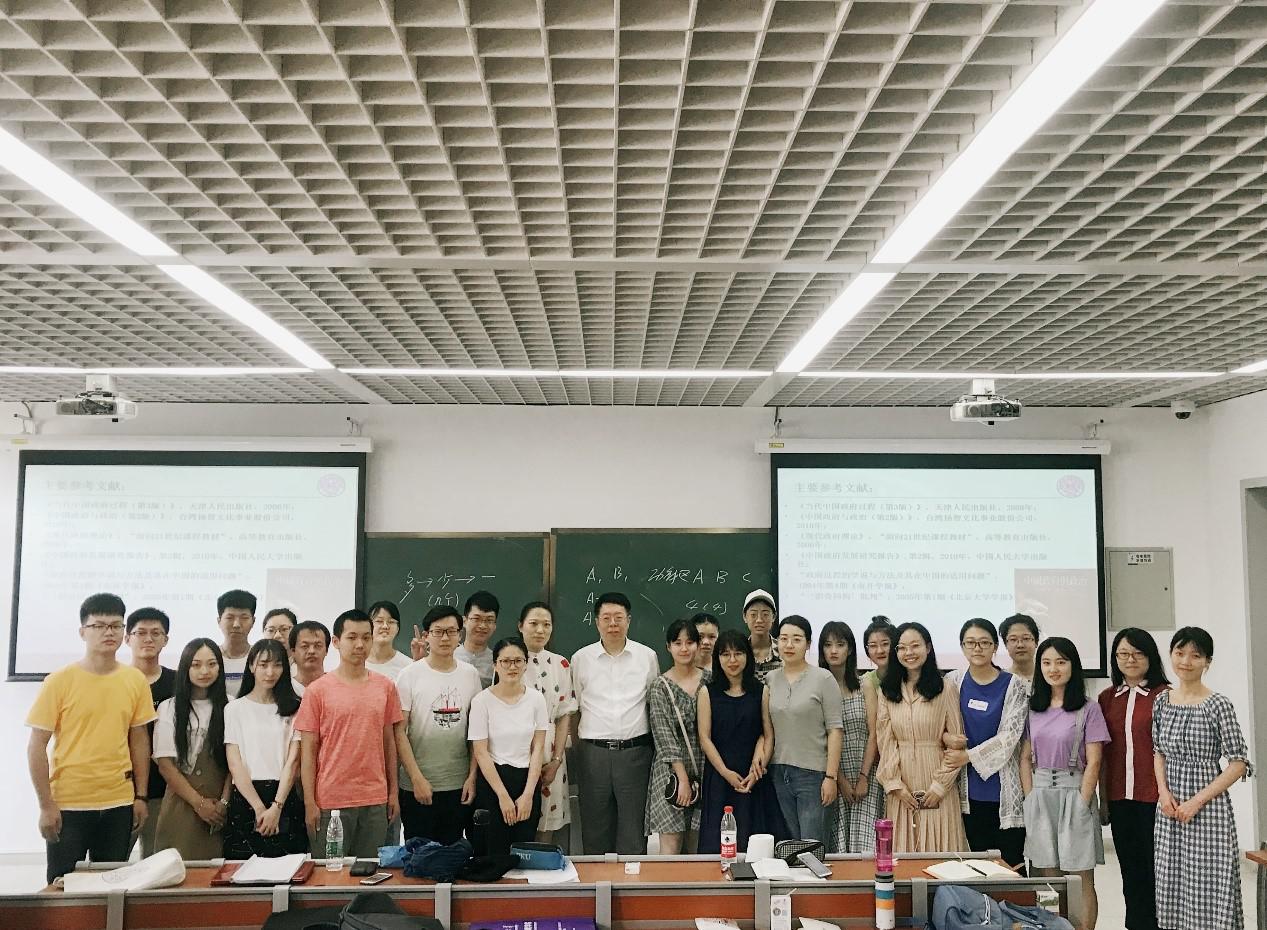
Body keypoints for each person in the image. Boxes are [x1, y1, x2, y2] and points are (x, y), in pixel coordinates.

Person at [27, 593, 156, 883]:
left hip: (119, 802)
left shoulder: (134, 679)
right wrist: (46, 805)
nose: (108, 632)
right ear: (82, 631)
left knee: (111, 887)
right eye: (99, 626)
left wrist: (140, 796)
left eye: (116, 626)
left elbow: (139, 741)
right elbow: (36, 745)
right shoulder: (59, 681)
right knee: (62, 887)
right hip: (69, 804)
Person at [1153, 627, 1252, 930]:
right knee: (1172, 881)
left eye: (1195, 656)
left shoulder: (1218, 704)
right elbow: (1158, 752)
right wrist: (1163, 793)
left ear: (1207, 662)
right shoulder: (1162, 701)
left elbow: (1238, 763)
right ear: (1171, 655)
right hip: (1170, 808)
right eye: (1180, 653)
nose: (1186, 661)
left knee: (1209, 883)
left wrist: (1196, 801)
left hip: (1208, 808)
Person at [295, 609, 403, 858]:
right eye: (352, 637)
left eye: (366, 637)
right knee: (330, 875)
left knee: (369, 873)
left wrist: (393, 793)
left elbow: (389, 744)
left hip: (375, 800)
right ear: (336, 642)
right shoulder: (317, 691)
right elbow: (308, 751)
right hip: (330, 802)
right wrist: (310, 802)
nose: (360, 644)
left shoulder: (385, 687)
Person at [1020, 637, 1109, 930]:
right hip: (1041, 794)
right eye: (1046, 663)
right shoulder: (1033, 708)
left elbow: (1094, 761)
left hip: (1074, 793)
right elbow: (1024, 758)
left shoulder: (1088, 708)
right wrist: (1029, 797)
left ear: (1073, 666)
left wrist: (1083, 800)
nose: (1053, 669)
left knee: (1080, 875)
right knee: (1047, 875)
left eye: (1061, 662)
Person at [571, 591, 658, 854]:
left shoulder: (647, 656)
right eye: (606, 618)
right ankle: (596, 880)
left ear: (628, 621)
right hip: (593, 754)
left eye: (618, 618)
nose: (613, 624)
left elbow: (652, 703)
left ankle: (632, 880)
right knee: (594, 829)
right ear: (596, 622)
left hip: (636, 754)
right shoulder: (580, 659)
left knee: (634, 831)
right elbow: (575, 708)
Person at [1098, 627, 1168, 930]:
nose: (1130, 659)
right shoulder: (1106, 698)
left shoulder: (1166, 695)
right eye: (1123, 654)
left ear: (1150, 657)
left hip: (1155, 797)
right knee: (1131, 870)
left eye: (1138, 653)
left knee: (1158, 870)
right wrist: (1103, 800)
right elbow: (1102, 754)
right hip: (1120, 797)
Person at [876, 622, 967, 853]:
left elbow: (957, 744)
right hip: (901, 785)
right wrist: (895, 785)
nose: (909, 652)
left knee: (941, 854)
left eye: (915, 646)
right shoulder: (887, 691)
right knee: (903, 853)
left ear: (928, 647)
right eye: (902, 648)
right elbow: (885, 742)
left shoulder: (946, 688)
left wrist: (940, 786)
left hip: (937, 782)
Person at [945, 618, 1029, 869]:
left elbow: (1009, 737)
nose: (977, 648)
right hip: (965, 791)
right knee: (975, 865)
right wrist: (948, 738)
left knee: (1010, 864)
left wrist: (968, 756)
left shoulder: (1014, 684)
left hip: (1003, 790)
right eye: (970, 643)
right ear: (962, 647)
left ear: (995, 647)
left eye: (984, 642)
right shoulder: (953, 681)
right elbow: (940, 724)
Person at [394, 606, 481, 845]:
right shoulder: (409, 675)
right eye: (438, 631)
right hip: (417, 786)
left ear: (460, 635)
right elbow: (399, 731)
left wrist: (472, 777)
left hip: (458, 785)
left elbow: (477, 732)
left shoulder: (470, 675)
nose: (445, 638)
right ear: (426, 636)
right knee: (419, 855)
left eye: (451, 631)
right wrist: (416, 778)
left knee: (451, 854)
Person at [697, 630, 784, 854]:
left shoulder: (761, 690)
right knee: (718, 847)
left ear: (748, 656)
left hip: (754, 777)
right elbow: (704, 738)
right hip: (720, 777)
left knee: (756, 847)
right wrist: (725, 773)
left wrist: (759, 768)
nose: (732, 660)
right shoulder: (707, 692)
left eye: (738, 653)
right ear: (717, 658)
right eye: (726, 654)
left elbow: (768, 734)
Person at [223, 639, 307, 858]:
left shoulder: (295, 707)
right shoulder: (234, 709)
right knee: (242, 867)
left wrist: (276, 807)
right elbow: (235, 764)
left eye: (277, 665)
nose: (270, 672)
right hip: (246, 797)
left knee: (288, 867)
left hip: (284, 795)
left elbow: (293, 762)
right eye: (263, 664)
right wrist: (260, 809)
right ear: (251, 666)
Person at [765, 615, 843, 843]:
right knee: (789, 845)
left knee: (812, 846)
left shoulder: (823, 678)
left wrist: (831, 777)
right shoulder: (771, 679)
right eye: (783, 639)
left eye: (797, 639)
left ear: (808, 644)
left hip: (813, 775)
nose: (789, 645)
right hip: (779, 772)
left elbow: (835, 730)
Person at [152, 638, 232, 859]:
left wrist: (224, 803)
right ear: (185, 668)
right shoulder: (169, 708)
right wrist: (200, 804)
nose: (204, 671)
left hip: (221, 808)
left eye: (212, 664)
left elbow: (235, 764)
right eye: (196, 665)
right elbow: (166, 765)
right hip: (181, 803)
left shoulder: (231, 706)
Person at [468, 637, 548, 855]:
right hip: (493, 782)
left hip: (526, 780)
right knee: (492, 853)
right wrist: (502, 796)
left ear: (526, 664)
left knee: (523, 853)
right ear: (495, 664)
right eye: (506, 661)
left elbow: (538, 749)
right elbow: (481, 752)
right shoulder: (481, 701)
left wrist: (528, 795)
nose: (512, 667)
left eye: (518, 661)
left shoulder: (536, 699)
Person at [517, 602, 576, 843]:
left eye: (546, 624)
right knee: (517, 814)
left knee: (546, 823)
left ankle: (542, 864)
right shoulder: (509, 659)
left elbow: (564, 715)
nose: (540, 630)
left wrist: (556, 760)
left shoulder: (561, 664)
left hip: (551, 750)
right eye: (533, 623)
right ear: (521, 626)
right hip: (517, 749)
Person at [645, 619, 705, 854]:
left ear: (698, 645)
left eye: (690, 642)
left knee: (699, 847)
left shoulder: (710, 680)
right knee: (670, 847)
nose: (684, 648)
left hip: (705, 768)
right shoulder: (660, 686)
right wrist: (682, 779)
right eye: (678, 643)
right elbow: (664, 736)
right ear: (668, 647)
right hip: (670, 772)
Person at [819, 621, 877, 853]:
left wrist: (863, 776)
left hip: (866, 773)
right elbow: (822, 738)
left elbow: (874, 733)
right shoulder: (819, 687)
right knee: (837, 847)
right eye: (828, 645)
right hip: (834, 774)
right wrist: (839, 779)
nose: (833, 650)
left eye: (840, 644)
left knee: (868, 845)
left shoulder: (865, 684)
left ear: (850, 649)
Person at [126, 606, 175, 857]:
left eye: (156, 633)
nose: (148, 639)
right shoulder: (117, 681)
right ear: (127, 638)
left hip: (164, 789)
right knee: (111, 862)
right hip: (121, 789)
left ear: (166, 640)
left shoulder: (177, 682)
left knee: (157, 863)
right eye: (141, 633)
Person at [456, 591, 500, 687]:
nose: (482, 626)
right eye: (476, 619)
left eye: (489, 620)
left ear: (495, 626)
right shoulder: (449, 656)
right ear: (464, 621)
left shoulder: (499, 663)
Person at [217, 590, 257, 697]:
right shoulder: (210, 656)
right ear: (219, 621)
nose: (236, 624)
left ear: (253, 621)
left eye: (244, 618)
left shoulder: (259, 656)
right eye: (230, 618)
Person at [366, 600, 412, 679]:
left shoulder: (408, 666)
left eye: (391, 622)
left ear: (397, 628)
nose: (385, 626)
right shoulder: (357, 663)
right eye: (379, 621)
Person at [742, 590, 780, 682]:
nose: (759, 620)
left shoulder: (784, 650)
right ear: (745, 617)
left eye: (765, 614)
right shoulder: (738, 652)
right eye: (753, 615)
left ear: (774, 617)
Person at [289, 620, 329, 695]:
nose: (311, 651)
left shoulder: (337, 686)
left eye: (318, 646)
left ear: (326, 650)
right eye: (305, 646)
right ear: (293, 651)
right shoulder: (285, 689)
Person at [1000, 614, 1039, 681]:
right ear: (1005, 644)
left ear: (1036, 642)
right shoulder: (1000, 680)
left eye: (1026, 638)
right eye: (1013, 639)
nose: (1020, 645)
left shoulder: (1048, 677)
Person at [692, 612, 719, 678]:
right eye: (700, 637)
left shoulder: (725, 669)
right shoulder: (680, 669)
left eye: (712, 637)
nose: (706, 642)